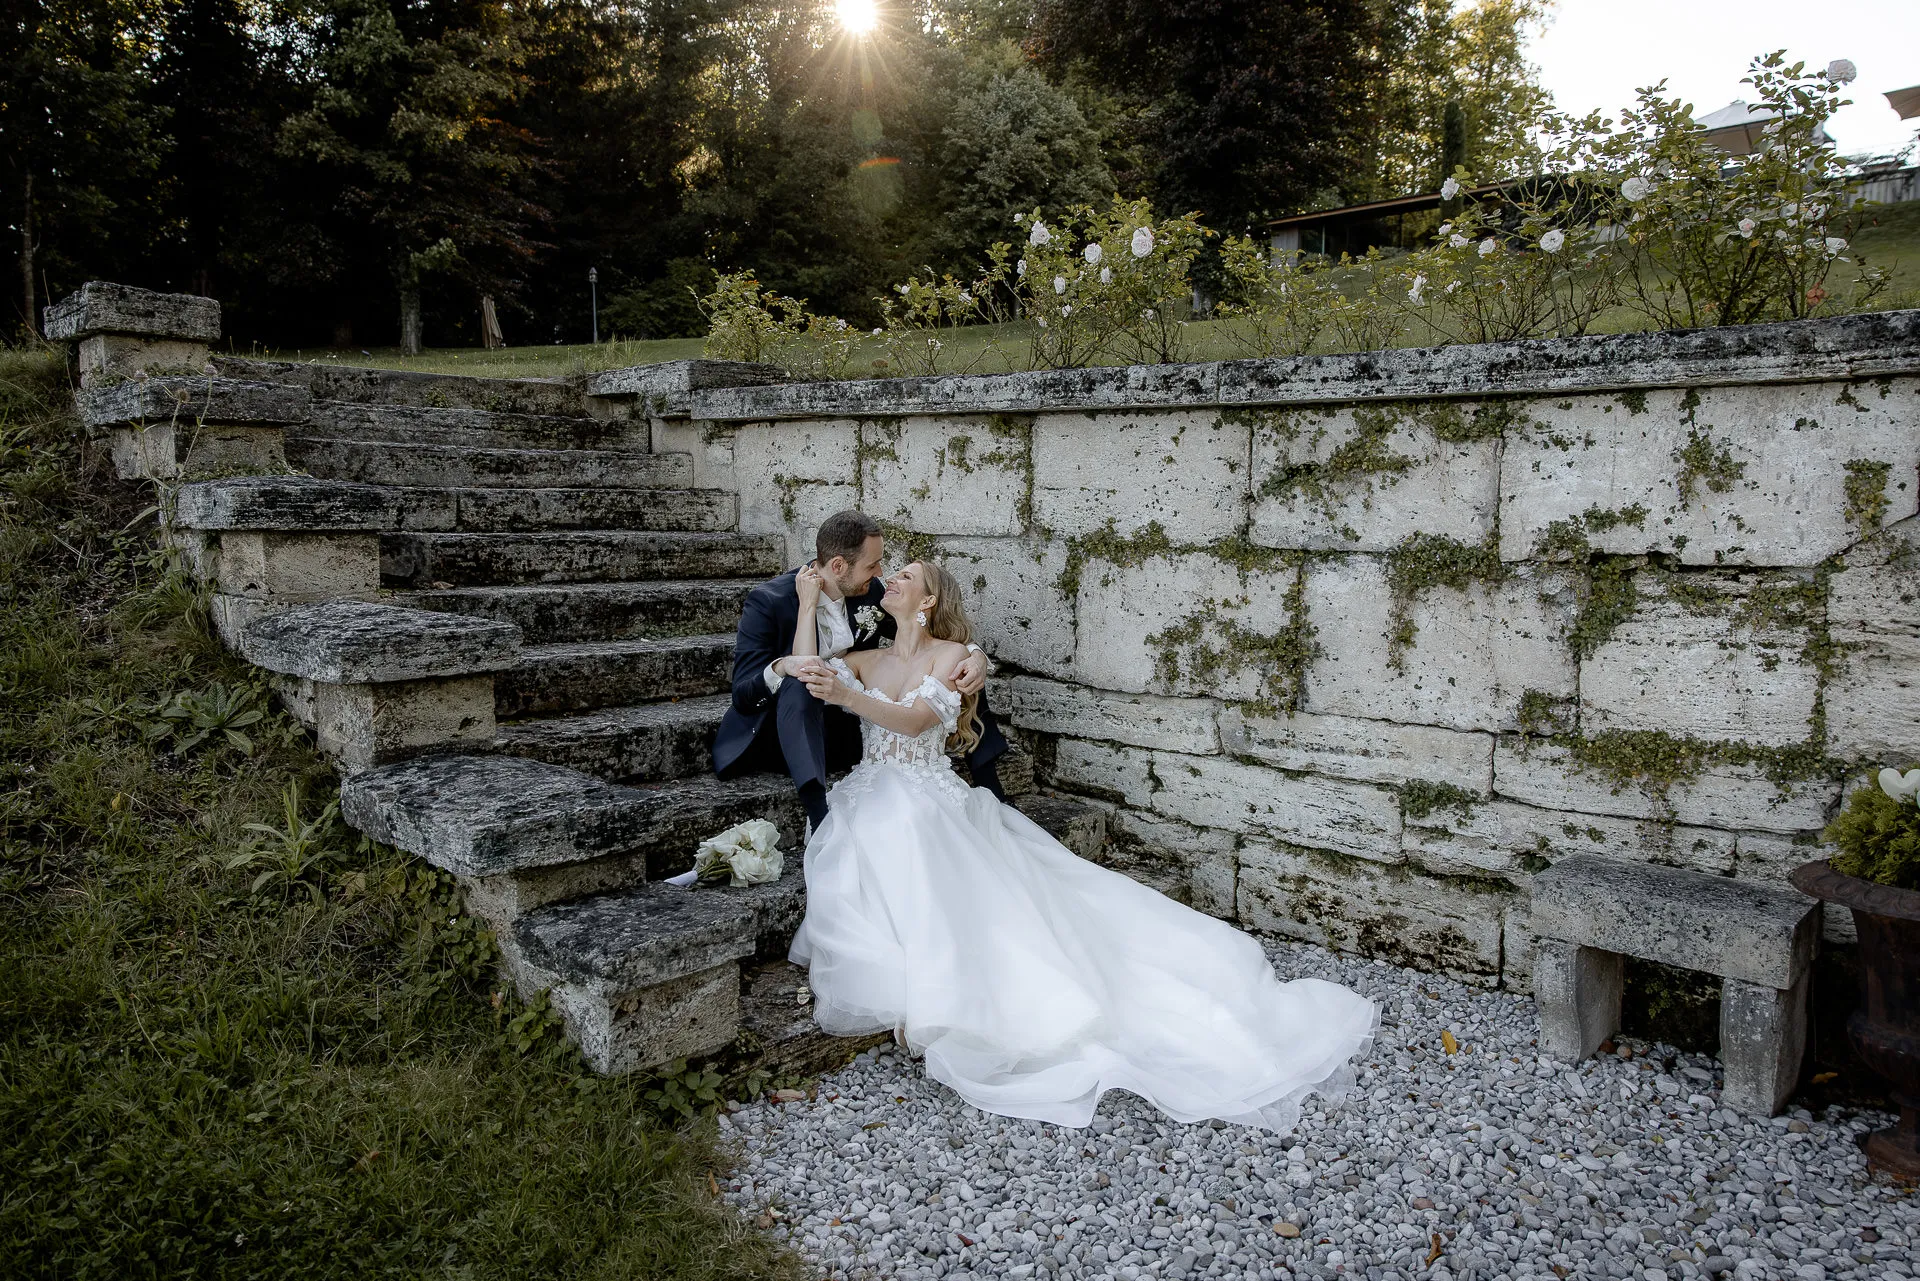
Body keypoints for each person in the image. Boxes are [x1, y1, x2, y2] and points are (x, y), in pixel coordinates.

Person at [786, 558, 1379, 1132]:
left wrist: (852, 696)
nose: (891, 579)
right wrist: (810, 603)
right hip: (869, 790)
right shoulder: (864, 657)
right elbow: (806, 668)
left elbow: (915, 722)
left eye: (906, 576)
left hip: (927, 792)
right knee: (866, 834)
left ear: (930, 600)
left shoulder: (953, 658)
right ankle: (913, 981)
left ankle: (957, 993)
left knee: (915, 833)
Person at [712, 509, 1007, 833]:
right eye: (873, 564)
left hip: (845, 727)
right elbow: (743, 694)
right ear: (839, 566)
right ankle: (815, 804)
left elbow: (928, 634)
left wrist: (977, 658)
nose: (881, 573)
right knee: (800, 678)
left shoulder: (870, 592)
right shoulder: (769, 602)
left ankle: (989, 785)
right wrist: (784, 662)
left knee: (961, 672)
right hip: (782, 734)